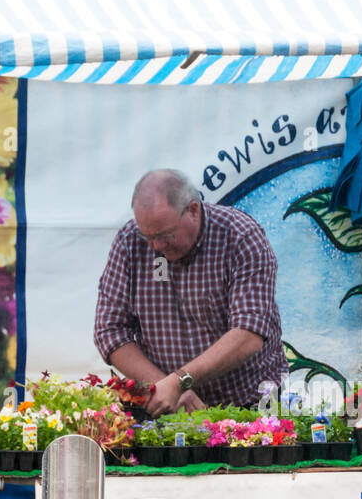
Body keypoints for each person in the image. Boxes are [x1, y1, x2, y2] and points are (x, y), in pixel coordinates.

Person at [94, 168, 287, 417]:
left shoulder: (240, 236)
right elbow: (109, 331)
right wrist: (168, 387)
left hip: (248, 402)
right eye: (148, 236)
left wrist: (179, 381)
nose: (157, 246)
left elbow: (249, 333)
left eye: (165, 235)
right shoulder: (130, 241)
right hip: (169, 407)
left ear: (193, 210)